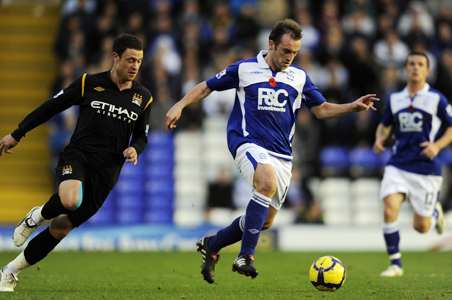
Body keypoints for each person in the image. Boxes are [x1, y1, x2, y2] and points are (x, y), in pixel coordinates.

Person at [165, 18, 379, 283]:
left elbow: (321, 109)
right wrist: (180, 105)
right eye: (286, 51)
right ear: (271, 44)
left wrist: (351, 106)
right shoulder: (245, 69)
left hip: (282, 155)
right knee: (265, 182)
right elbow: (206, 86)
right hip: (246, 142)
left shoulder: (299, 77)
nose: (290, 57)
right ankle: (246, 255)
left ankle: (213, 244)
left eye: (295, 53)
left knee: (264, 221)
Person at [0, 33, 153, 292]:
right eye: (130, 60)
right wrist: (18, 132)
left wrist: (135, 149)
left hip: (107, 173)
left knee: (61, 228)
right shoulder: (88, 83)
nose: (135, 66)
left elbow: (142, 135)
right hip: (78, 156)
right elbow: (52, 106)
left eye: (138, 60)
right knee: (71, 199)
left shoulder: (143, 97)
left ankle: (10, 271)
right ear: (115, 57)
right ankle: (36, 216)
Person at [373, 51, 452, 277]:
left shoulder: (437, 99)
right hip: (397, 163)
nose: (415, 68)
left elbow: (451, 128)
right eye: (411, 64)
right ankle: (395, 264)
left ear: (427, 71)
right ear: (405, 69)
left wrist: (437, 146)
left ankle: (434, 213)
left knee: (421, 227)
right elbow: (385, 125)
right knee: (389, 208)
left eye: (420, 64)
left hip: (426, 169)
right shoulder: (396, 99)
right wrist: (380, 137)